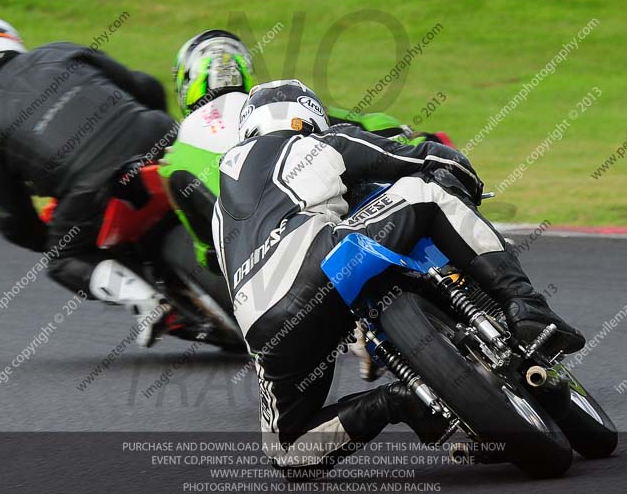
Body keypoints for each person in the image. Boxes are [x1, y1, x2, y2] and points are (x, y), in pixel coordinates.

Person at [211, 79, 586, 475]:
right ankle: (525, 306)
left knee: (286, 450)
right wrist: (465, 183)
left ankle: (398, 401)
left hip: (262, 325)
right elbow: (421, 159)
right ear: (308, 115)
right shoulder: (315, 143)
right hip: (322, 260)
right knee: (425, 191)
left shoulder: (221, 208)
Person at [158, 29, 454, 376]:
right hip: (332, 213)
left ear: (185, 83)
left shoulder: (175, 157)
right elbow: (359, 126)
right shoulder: (273, 106)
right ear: (243, 68)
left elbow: (209, 253)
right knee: (425, 195)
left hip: (267, 279)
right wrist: (407, 136)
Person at [0, 15, 183, 347]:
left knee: (63, 258)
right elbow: (146, 86)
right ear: (12, 38)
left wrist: (49, 238)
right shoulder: (61, 51)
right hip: (158, 135)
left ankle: (147, 302)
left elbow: (14, 219)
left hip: (93, 188)